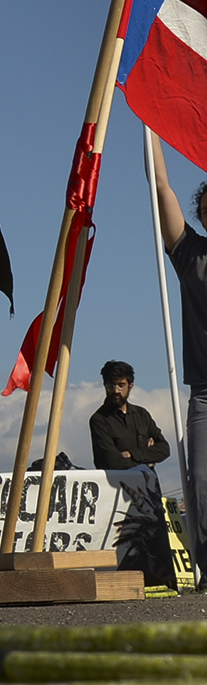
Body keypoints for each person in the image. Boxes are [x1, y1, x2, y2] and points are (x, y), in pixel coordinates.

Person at [149, 135, 205, 538]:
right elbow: (162, 186)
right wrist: (149, 121)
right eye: (204, 210)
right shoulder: (191, 255)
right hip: (205, 392)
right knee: (201, 481)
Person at [91, 359, 171, 478]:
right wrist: (146, 461)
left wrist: (131, 454)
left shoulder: (141, 415)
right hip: (116, 487)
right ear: (105, 386)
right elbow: (112, 462)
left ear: (130, 386)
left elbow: (164, 449)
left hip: (148, 488)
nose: (116, 390)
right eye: (111, 385)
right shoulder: (99, 420)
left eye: (121, 385)